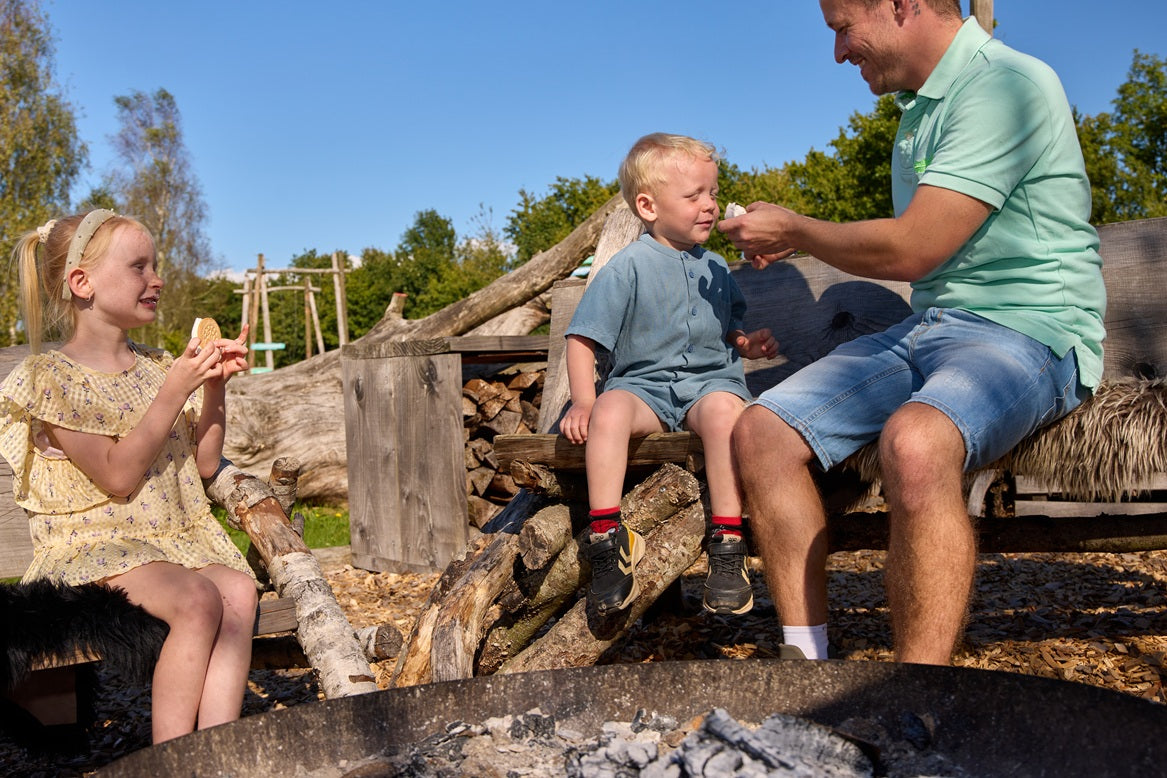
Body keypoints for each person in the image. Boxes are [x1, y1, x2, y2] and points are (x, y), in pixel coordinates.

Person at [718, 0, 1106, 664]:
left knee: (914, 442)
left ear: (902, 5)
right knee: (759, 431)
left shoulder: (1005, 84)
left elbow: (914, 248)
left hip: (1032, 330)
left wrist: (795, 230)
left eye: (843, 28)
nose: (839, 52)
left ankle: (917, 699)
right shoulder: (918, 113)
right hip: (931, 327)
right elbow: (924, 263)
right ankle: (802, 662)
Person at [0, 209, 259, 742]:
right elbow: (118, 476)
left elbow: (207, 462)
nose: (157, 279)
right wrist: (176, 389)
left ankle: (216, 755)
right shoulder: (52, 381)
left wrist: (212, 386)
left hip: (168, 543)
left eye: (156, 266)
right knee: (197, 600)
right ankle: (173, 758)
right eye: (139, 266)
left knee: (238, 589)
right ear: (82, 283)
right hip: (92, 545)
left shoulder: (160, 366)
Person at [561, 133, 778, 616]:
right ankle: (607, 539)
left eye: (713, 193)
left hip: (709, 386)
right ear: (648, 205)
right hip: (646, 390)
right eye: (693, 195)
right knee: (610, 410)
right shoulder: (628, 267)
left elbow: (730, 331)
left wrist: (747, 344)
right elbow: (582, 339)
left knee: (726, 414)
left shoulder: (719, 268)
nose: (710, 205)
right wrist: (582, 400)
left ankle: (727, 544)